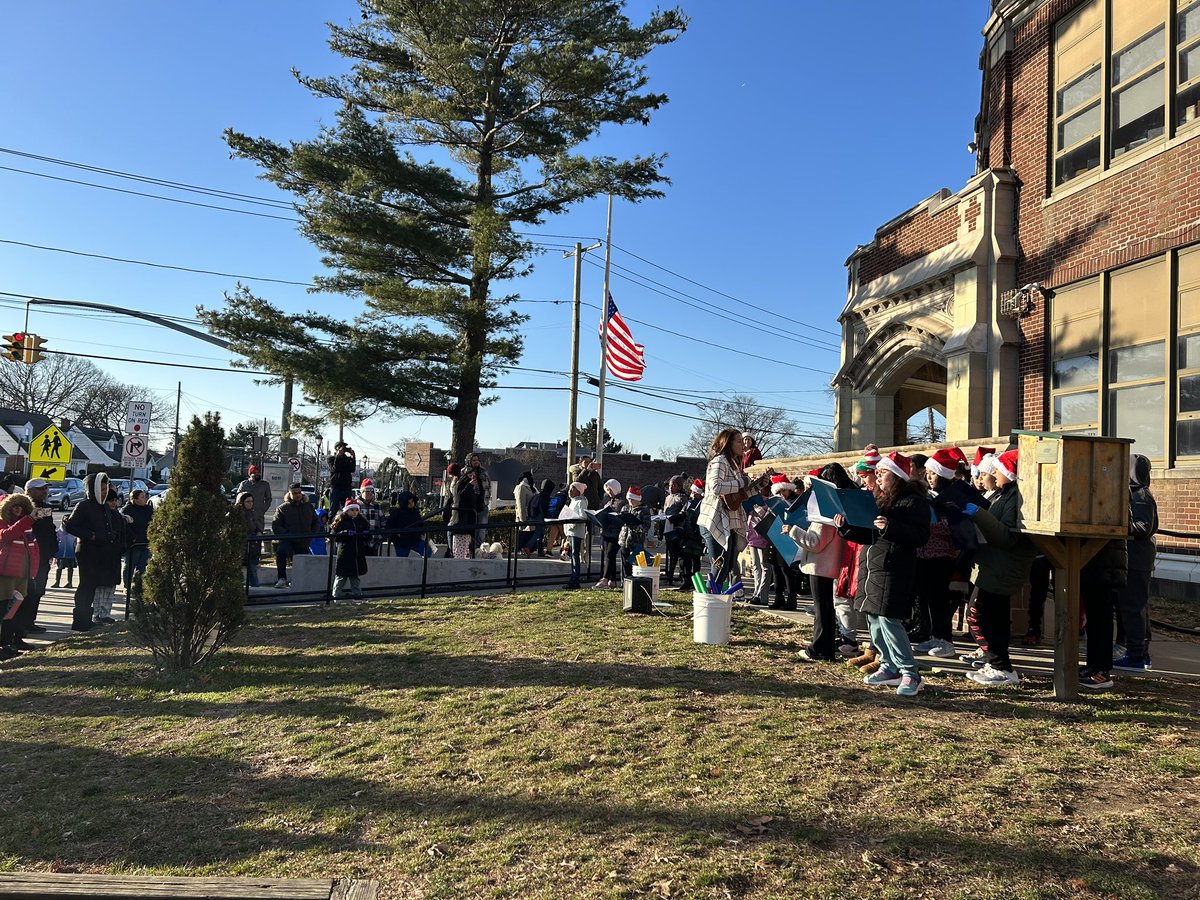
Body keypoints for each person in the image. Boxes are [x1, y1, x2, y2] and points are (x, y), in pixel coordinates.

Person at [835, 451, 931, 698]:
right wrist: (845, 528)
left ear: (897, 476)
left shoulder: (913, 501)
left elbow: (920, 536)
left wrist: (891, 527)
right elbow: (869, 533)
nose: (877, 476)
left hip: (894, 568)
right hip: (873, 567)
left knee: (889, 620)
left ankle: (910, 672)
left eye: (883, 472)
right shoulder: (880, 500)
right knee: (874, 620)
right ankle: (889, 667)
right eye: (876, 472)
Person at [959, 449, 1036, 687]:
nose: (993, 473)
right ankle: (998, 664)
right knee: (996, 618)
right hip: (993, 565)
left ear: (1008, 473)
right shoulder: (1004, 495)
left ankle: (1001, 666)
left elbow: (1008, 537)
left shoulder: (1016, 498)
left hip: (1002, 568)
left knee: (976, 615)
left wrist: (978, 513)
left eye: (998, 470)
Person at [916, 448, 987, 659]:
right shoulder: (933, 495)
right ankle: (935, 635)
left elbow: (955, 526)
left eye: (933, 473)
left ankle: (946, 640)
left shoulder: (954, 496)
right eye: (927, 473)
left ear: (944, 475)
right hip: (926, 553)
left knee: (939, 599)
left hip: (943, 555)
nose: (928, 477)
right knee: (929, 598)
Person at [794, 464, 850, 662]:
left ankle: (818, 648)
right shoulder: (839, 506)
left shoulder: (825, 511)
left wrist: (792, 531)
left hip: (820, 565)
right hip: (828, 565)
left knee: (822, 610)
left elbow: (815, 543)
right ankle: (824, 648)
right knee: (825, 608)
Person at [1114, 454, 1158, 671]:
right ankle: (1140, 652)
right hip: (1134, 557)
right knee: (1136, 607)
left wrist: (1116, 526)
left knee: (1133, 608)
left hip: (1137, 559)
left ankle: (1135, 655)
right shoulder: (1134, 494)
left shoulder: (1140, 496)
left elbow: (1143, 527)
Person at [64, 473, 123, 631]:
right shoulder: (84, 506)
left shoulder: (103, 506)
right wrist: (91, 535)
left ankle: (87, 619)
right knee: (86, 586)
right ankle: (80, 620)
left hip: (102, 552)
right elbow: (70, 526)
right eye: (102, 489)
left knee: (93, 586)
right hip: (87, 552)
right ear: (93, 488)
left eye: (106, 489)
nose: (104, 492)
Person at [698, 429, 749, 589]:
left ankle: (715, 600)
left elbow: (738, 494)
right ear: (728, 443)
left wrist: (757, 486)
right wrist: (741, 483)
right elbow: (715, 487)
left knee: (726, 567)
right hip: (716, 520)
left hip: (730, 522)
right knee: (719, 565)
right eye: (739, 441)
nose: (743, 444)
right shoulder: (720, 461)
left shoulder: (734, 465)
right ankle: (708, 602)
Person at [13, 477, 56, 638]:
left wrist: (53, 549)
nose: (44, 492)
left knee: (38, 590)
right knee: (26, 592)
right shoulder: (22, 508)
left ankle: (30, 622)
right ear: (29, 491)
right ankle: (20, 625)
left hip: (43, 555)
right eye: (40, 489)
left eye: (45, 489)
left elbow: (49, 530)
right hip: (26, 556)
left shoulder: (47, 508)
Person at [0, 493, 41, 658]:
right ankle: (2, 644)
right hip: (6, 575)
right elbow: (7, 535)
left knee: (15, 611)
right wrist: (28, 520)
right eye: (14, 506)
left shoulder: (27, 526)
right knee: (3, 610)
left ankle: (10, 642)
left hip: (23, 575)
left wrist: (32, 573)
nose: (17, 510)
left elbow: (34, 550)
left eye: (21, 507)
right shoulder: (4, 523)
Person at [271, 482, 320, 588]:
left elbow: (316, 522)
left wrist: (311, 533)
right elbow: (276, 525)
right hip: (288, 539)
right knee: (281, 553)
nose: (297, 495)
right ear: (290, 494)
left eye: (299, 493)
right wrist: (287, 534)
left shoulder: (308, 507)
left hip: (304, 540)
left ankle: (297, 580)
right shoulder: (282, 508)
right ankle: (281, 578)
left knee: (301, 561)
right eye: (294, 493)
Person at [91, 490, 126, 624]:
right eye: (111, 500)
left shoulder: (117, 515)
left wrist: (122, 547)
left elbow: (123, 534)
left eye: (115, 500)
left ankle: (105, 612)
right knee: (100, 586)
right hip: (102, 555)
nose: (114, 503)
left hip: (114, 555)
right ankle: (97, 612)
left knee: (111, 586)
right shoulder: (100, 514)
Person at [330, 498, 370, 600]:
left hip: (357, 553)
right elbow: (333, 535)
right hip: (345, 553)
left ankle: (357, 595)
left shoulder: (362, 521)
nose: (354, 512)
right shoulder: (341, 521)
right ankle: (335, 595)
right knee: (341, 576)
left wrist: (366, 535)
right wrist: (344, 534)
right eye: (352, 510)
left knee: (355, 576)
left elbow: (367, 535)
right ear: (347, 510)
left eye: (356, 510)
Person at [744, 478, 774, 606]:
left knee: (765, 567)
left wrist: (760, 508)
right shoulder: (754, 500)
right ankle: (756, 593)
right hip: (752, 537)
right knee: (756, 567)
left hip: (763, 538)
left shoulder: (771, 502)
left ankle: (762, 596)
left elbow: (769, 516)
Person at [120, 489, 154, 593]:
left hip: (145, 542)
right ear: (134, 499)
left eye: (145, 496)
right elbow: (122, 525)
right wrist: (132, 536)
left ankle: (139, 586)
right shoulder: (127, 509)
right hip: (133, 544)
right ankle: (127, 586)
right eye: (142, 497)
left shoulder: (149, 509)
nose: (145, 499)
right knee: (130, 566)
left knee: (142, 567)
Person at [594, 478, 626, 589]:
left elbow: (621, 516)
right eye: (608, 490)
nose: (609, 492)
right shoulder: (607, 500)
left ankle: (605, 578)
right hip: (607, 531)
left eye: (611, 490)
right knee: (609, 555)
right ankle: (612, 580)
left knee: (610, 554)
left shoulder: (622, 502)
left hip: (616, 532)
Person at [444, 463, 478, 559]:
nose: (472, 475)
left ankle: (452, 554)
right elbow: (459, 496)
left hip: (461, 519)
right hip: (461, 520)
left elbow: (459, 497)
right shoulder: (462, 483)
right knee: (458, 549)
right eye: (470, 473)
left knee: (458, 549)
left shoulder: (459, 483)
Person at [560, 481, 589, 589]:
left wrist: (572, 517)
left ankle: (575, 579)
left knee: (575, 554)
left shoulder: (581, 502)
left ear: (578, 491)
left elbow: (583, 516)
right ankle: (573, 577)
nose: (570, 491)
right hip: (571, 530)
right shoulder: (573, 501)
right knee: (572, 554)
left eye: (573, 489)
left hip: (576, 531)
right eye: (570, 489)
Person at [619, 485, 651, 577]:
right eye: (628, 499)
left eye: (632, 500)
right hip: (624, 539)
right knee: (624, 562)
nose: (630, 502)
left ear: (638, 500)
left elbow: (646, 526)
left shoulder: (644, 511)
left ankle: (636, 579)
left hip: (636, 540)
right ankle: (624, 580)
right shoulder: (625, 508)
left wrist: (635, 526)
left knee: (637, 562)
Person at [386, 491, 427, 558]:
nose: (411, 504)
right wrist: (396, 536)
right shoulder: (396, 513)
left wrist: (422, 532)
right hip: (401, 542)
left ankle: (423, 567)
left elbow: (420, 523)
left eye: (412, 502)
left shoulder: (415, 512)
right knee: (402, 561)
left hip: (415, 540)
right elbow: (389, 526)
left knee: (428, 551)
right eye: (408, 502)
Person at [234, 465, 272, 533]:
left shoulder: (265, 484)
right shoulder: (244, 484)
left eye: (258, 472)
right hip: (245, 513)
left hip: (259, 513)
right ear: (250, 474)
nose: (257, 474)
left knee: (259, 533)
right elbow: (238, 497)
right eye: (254, 472)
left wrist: (264, 508)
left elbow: (268, 498)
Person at [236, 491, 263, 587]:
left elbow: (257, 525)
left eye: (252, 501)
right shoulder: (237, 513)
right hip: (241, 545)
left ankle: (255, 587)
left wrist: (259, 531)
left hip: (252, 544)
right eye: (247, 501)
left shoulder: (253, 513)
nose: (250, 503)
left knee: (252, 567)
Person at [466, 454, 492, 547]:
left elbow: (489, 486)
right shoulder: (465, 472)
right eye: (473, 460)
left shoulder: (484, 471)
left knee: (482, 529)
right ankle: (471, 549)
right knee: (471, 529)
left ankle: (480, 549)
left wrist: (487, 499)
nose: (476, 462)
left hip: (483, 504)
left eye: (477, 460)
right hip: (471, 506)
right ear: (469, 461)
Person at [356, 480, 385, 556]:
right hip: (358, 541)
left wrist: (380, 537)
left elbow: (383, 523)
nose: (370, 493)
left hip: (374, 542)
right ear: (362, 492)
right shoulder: (355, 506)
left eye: (372, 491)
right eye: (367, 490)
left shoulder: (377, 506)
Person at [328, 442, 357, 511]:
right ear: (336, 449)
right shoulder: (331, 459)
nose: (343, 450)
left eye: (344, 448)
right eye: (341, 447)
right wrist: (338, 457)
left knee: (347, 509)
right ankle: (331, 521)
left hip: (346, 487)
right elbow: (335, 468)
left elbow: (352, 469)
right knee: (333, 509)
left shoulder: (347, 459)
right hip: (336, 487)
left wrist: (353, 457)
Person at [514, 470, 537, 556]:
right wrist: (523, 518)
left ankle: (528, 548)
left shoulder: (531, 487)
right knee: (522, 532)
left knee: (530, 532)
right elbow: (521, 504)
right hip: (524, 515)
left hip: (531, 514)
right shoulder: (521, 487)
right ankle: (520, 548)